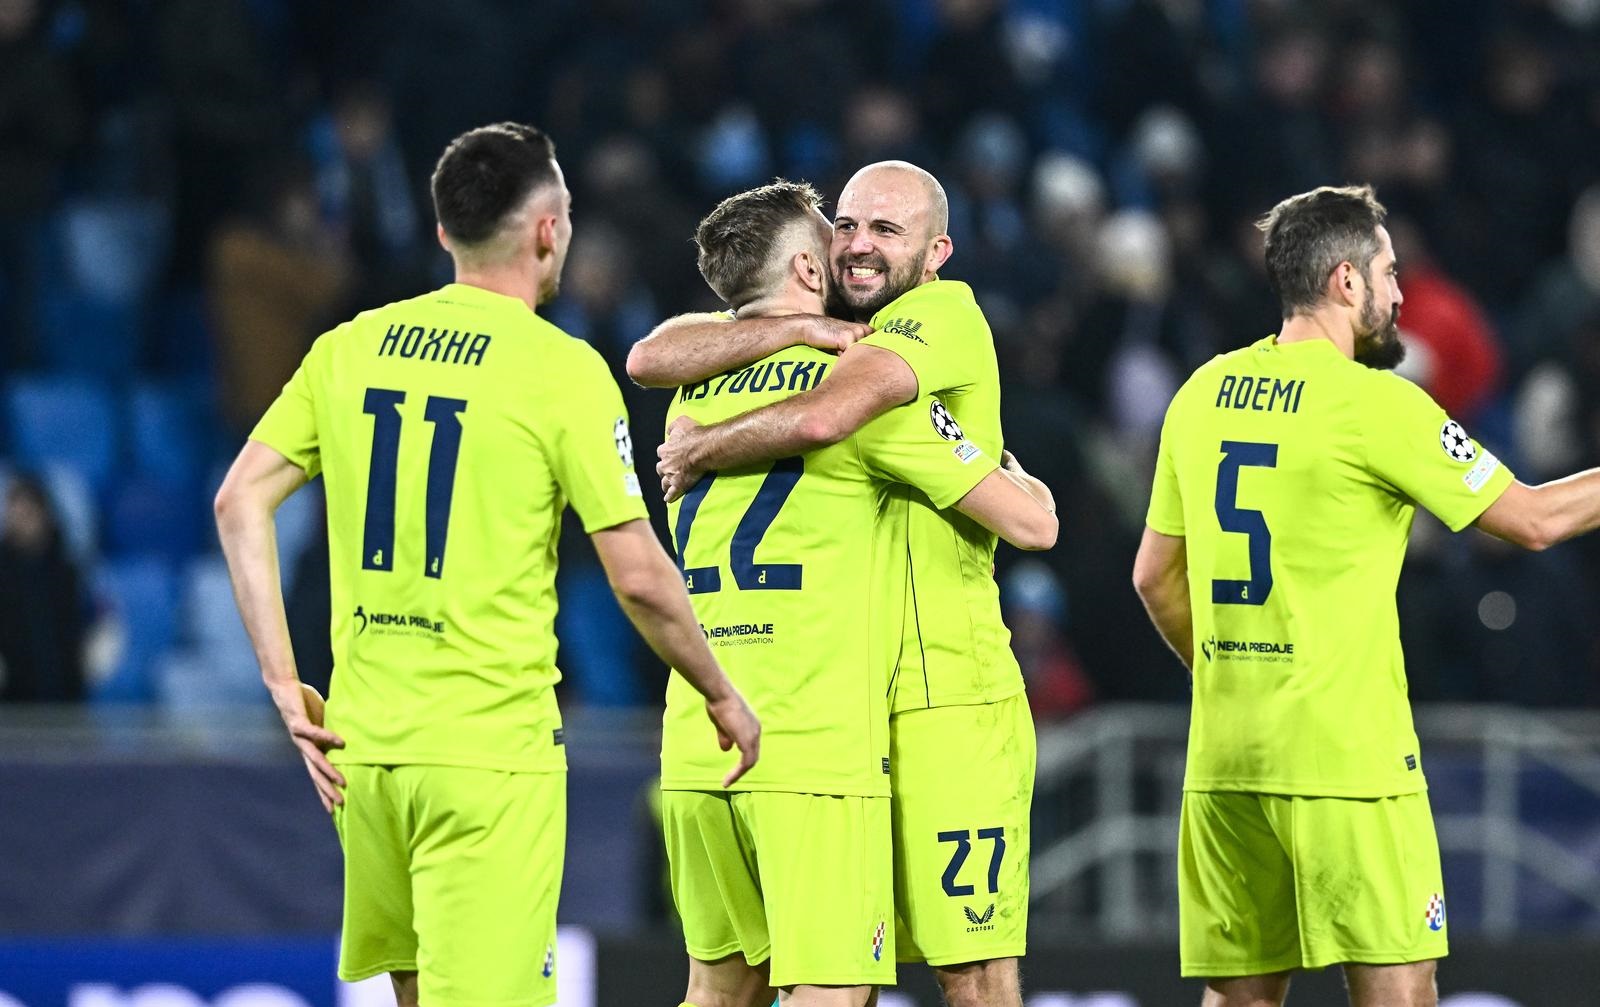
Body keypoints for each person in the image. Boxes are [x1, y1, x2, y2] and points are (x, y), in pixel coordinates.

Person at [213, 122, 759, 1007]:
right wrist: (721, 689)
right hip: (484, 759)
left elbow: (238, 503)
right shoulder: (561, 371)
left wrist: (283, 679)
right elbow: (636, 573)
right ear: (549, 231)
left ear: (443, 233)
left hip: (367, 761)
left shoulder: (351, 346)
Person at [1131, 184, 1600, 1007]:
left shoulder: (1200, 393)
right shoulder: (1379, 404)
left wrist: (1221, 675)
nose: (1399, 294)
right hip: (1347, 758)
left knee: (1238, 998)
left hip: (1226, 759)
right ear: (1346, 280)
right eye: (1388, 273)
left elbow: (1152, 577)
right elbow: (1533, 519)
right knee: (1398, 988)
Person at [634, 161, 1036, 1007]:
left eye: (885, 230)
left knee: (955, 970)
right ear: (812, 265)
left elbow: (654, 357)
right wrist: (1023, 489)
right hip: (828, 725)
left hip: (933, 696)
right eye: (844, 226)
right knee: (838, 983)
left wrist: (705, 443)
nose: (857, 245)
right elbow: (1033, 524)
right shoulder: (849, 382)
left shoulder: (697, 403)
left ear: (938, 253)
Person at [0, 474, 86, 703]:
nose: (19, 524)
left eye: (27, 515)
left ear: (44, 515)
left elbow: (88, 624)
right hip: (12, 701)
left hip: (67, 696)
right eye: (14, 515)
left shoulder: (67, 571)